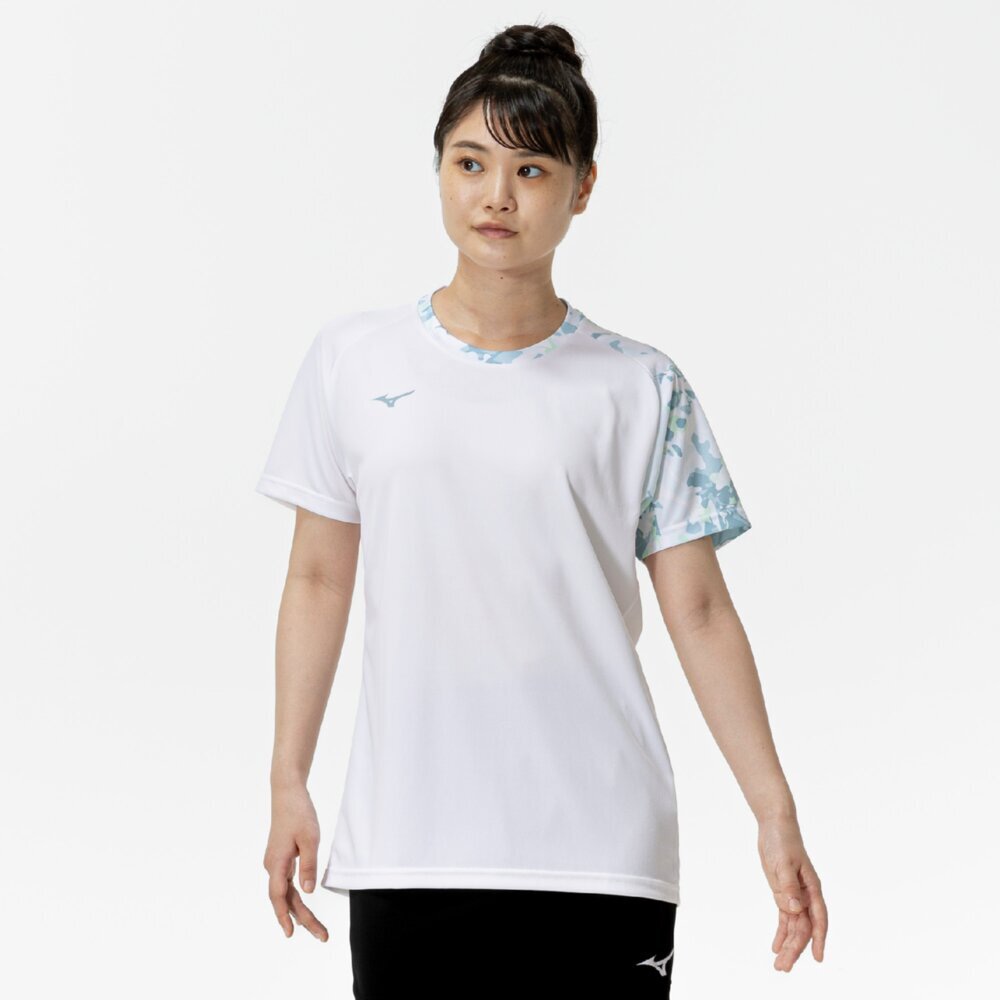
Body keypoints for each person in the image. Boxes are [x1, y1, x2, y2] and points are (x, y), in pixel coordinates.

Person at [257, 20, 828, 999]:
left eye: (530, 170)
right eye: (470, 162)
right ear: (438, 170)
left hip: (601, 852)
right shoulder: (353, 360)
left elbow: (699, 611)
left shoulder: (640, 386)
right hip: (409, 843)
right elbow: (316, 578)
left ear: (582, 187)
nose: (496, 195)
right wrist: (286, 779)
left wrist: (774, 812)